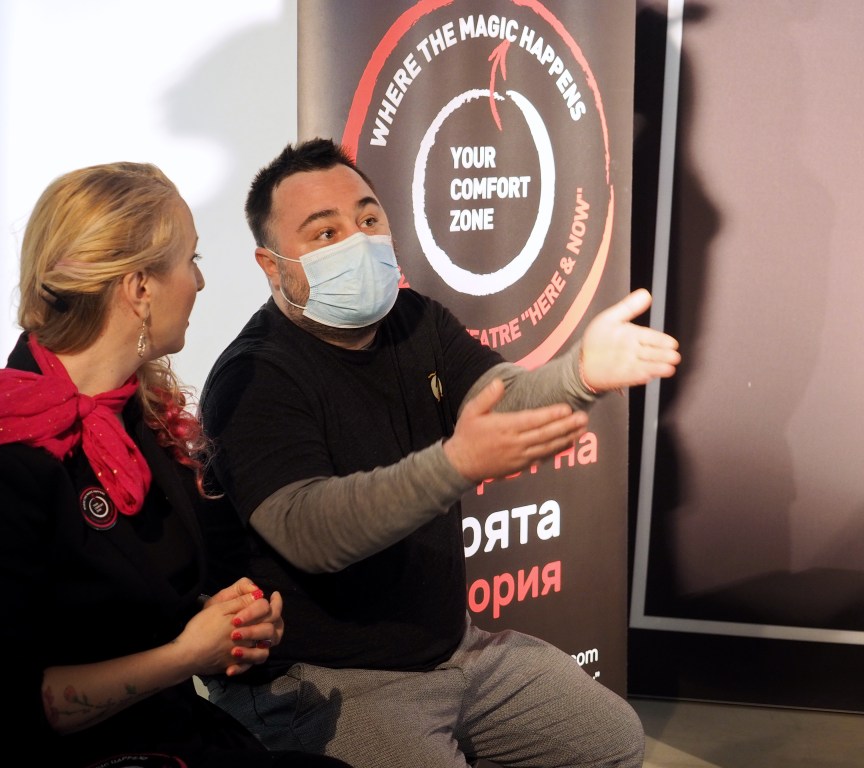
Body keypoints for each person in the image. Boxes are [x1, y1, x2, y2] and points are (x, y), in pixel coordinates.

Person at [198, 138, 682, 768]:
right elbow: (308, 529)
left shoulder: (417, 319)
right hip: (324, 677)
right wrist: (455, 465)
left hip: (453, 650)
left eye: (368, 219)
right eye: (325, 233)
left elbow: (500, 396)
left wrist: (580, 373)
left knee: (608, 740)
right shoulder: (253, 375)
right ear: (272, 265)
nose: (357, 241)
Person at [0, 162, 351, 768]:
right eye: (191, 260)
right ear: (139, 288)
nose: (199, 282)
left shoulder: (136, 417)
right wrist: (188, 654)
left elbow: (135, 601)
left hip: (163, 734)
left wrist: (226, 621)